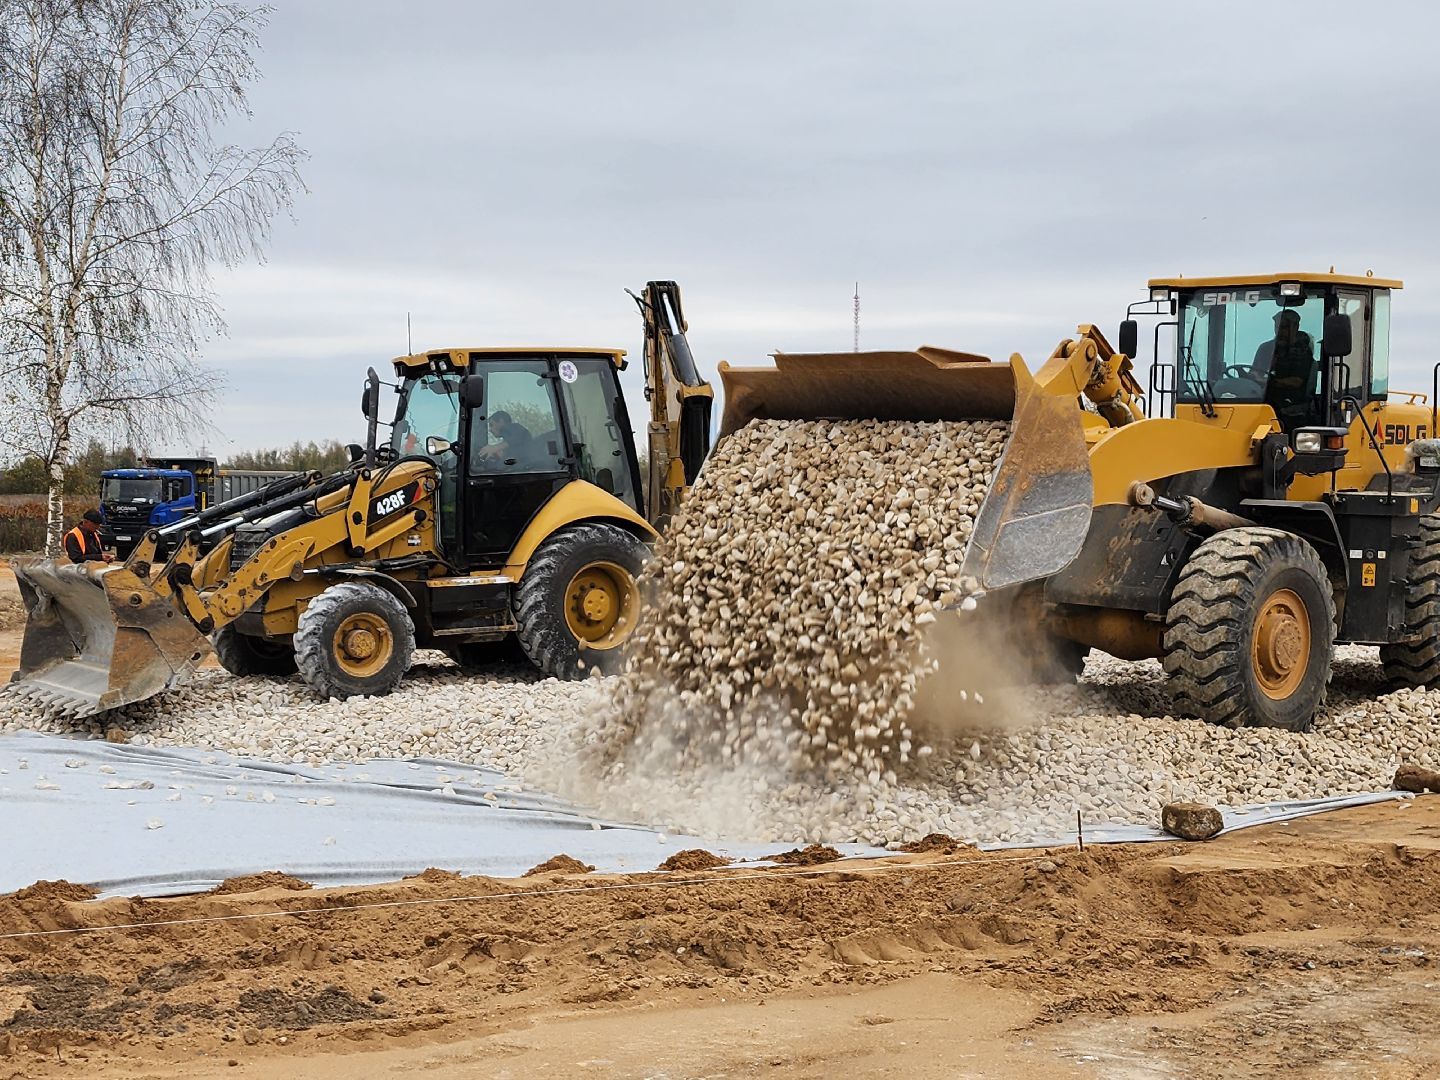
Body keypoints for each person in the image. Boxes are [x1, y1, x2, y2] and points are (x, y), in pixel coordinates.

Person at [1251, 309, 1317, 422]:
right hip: (1263, 400)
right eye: (1277, 327)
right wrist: (1252, 377)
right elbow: (1256, 371)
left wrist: (1271, 381)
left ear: (1295, 327)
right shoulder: (1265, 348)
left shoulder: (1302, 352)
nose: (1280, 331)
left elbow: (1296, 381)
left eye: (1284, 327)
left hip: (1291, 404)